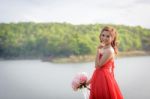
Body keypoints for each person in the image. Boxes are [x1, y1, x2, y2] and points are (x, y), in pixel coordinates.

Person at [86, 26, 124, 99]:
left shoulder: (109, 50)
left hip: (104, 80)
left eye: (108, 36)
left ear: (112, 38)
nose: (104, 38)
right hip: (98, 78)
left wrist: (98, 51)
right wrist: (87, 83)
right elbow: (97, 70)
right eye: (103, 35)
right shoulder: (103, 48)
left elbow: (98, 65)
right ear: (100, 36)